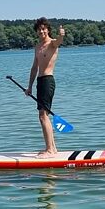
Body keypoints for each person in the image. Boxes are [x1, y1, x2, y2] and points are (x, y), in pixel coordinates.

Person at [27, 17, 65, 158]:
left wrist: (61, 35)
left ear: (48, 30)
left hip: (48, 81)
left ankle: (49, 150)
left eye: (44, 28)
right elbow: (34, 68)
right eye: (39, 29)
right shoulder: (37, 47)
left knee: (43, 116)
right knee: (44, 115)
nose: (41, 31)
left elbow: (59, 41)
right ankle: (53, 149)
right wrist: (29, 86)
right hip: (39, 82)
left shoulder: (52, 44)